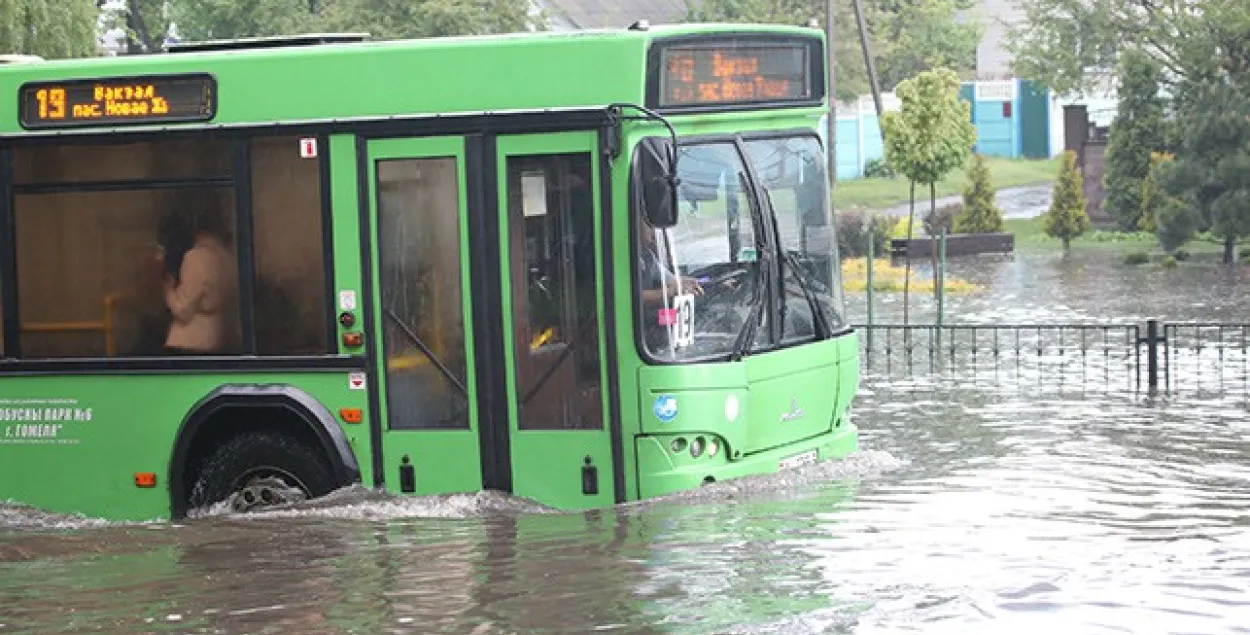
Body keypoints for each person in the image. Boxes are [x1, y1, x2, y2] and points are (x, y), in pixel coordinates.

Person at [157, 208, 240, 355]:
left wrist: (168, 288)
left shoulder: (196, 257)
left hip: (190, 341)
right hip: (218, 335)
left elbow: (183, 309)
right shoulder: (228, 257)